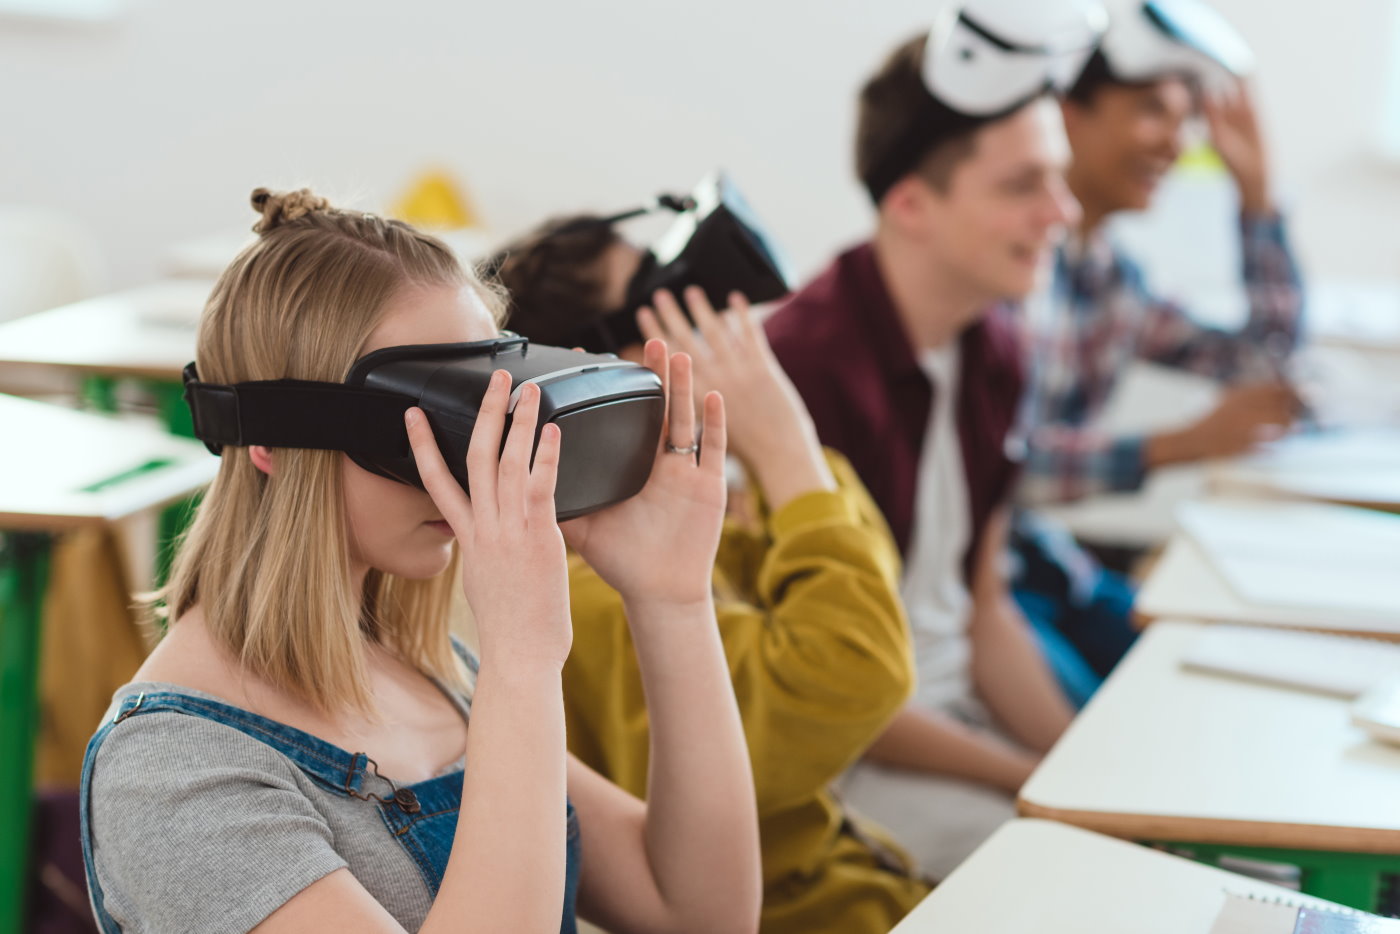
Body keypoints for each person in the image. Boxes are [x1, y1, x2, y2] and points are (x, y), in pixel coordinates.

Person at [79, 188, 762, 934]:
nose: (472, 456)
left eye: (479, 404)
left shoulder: (433, 672)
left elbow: (698, 912)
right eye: (428, 419)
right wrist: (522, 665)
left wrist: (673, 600)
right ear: (268, 440)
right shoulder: (174, 777)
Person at [490, 217, 931, 932]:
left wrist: (782, 460)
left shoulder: (692, 522)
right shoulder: (596, 595)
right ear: (594, 367)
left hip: (868, 878)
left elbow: (874, 595)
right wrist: (785, 444)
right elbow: (859, 673)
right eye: (659, 301)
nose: (704, 320)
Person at [764, 4, 1099, 878]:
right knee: (1070, 872)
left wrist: (1087, 772)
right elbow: (825, 692)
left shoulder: (997, 350)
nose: (1061, 211)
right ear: (912, 203)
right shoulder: (800, 368)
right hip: (856, 759)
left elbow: (983, 608)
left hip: (964, 735)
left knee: (1145, 836)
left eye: (1058, 179)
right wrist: (1035, 782)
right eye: (1023, 185)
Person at [1016, 0, 1304, 511]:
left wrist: (1258, 199)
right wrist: (1179, 445)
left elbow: (1261, 359)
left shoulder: (1112, 280)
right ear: (1069, 114)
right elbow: (993, 469)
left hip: (1033, 553)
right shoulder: (1007, 263)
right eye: (1152, 110)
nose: (1177, 143)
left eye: (1187, 120)